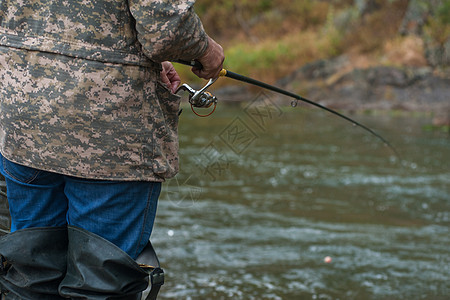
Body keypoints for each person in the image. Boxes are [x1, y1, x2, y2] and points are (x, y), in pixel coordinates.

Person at [0, 0, 224, 298]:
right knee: (99, 285)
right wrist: (207, 51)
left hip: (23, 121)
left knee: (31, 277)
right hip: (111, 134)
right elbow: (164, 25)